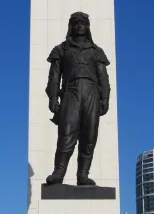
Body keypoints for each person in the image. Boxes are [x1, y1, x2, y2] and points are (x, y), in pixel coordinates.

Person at [45, 12, 111, 186]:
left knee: (89, 134)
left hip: (91, 93)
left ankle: (83, 174)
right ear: (71, 27)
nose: (79, 26)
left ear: (87, 27)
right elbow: (53, 77)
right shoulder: (61, 49)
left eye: (82, 23)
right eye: (76, 23)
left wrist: (105, 98)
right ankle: (59, 172)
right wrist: (53, 97)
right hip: (70, 92)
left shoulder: (97, 51)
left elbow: (103, 77)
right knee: (67, 132)